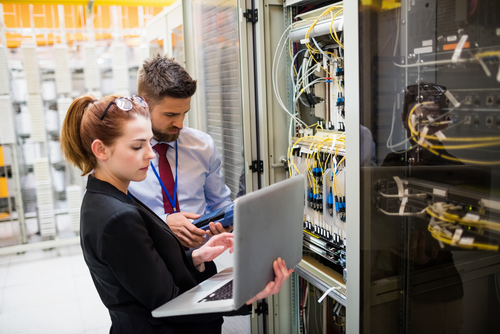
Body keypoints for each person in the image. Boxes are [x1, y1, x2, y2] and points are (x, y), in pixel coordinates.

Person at [60, 94, 293, 334]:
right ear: (100, 150)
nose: (150, 154)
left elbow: (146, 273)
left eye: (149, 143)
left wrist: (195, 258)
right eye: (137, 146)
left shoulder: (110, 195)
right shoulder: (117, 218)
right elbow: (171, 306)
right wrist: (247, 294)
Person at [128, 54, 232, 249]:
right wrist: (163, 223)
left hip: (203, 257)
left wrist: (224, 224)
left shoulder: (203, 146)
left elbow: (219, 202)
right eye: (170, 115)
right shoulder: (122, 154)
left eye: (184, 113)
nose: (180, 124)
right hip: (150, 260)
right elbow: (111, 217)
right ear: (143, 104)